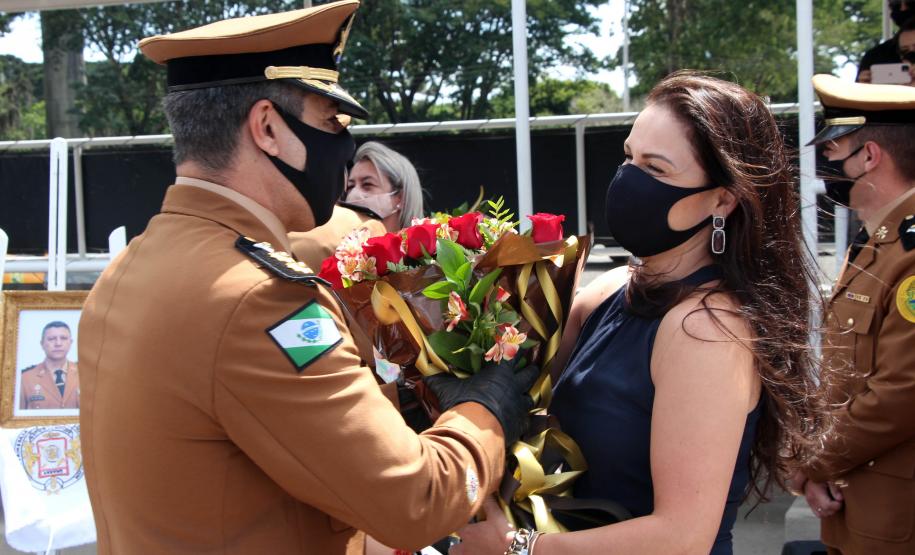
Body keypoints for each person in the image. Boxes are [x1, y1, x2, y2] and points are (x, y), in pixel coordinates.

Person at [77, 3, 537, 554]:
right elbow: (417, 500)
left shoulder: (133, 266)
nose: (343, 150)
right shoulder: (260, 300)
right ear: (268, 128)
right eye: (330, 124)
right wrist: (486, 407)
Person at [451, 72, 825, 555]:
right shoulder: (609, 291)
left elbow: (682, 537)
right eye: (629, 157)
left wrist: (516, 547)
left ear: (722, 198)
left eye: (657, 168)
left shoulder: (708, 329)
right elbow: (514, 394)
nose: (628, 178)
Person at [792, 75, 915, 555]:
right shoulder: (875, 242)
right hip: (856, 502)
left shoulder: (907, 253)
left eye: (834, 148)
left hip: (895, 516)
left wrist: (811, 461)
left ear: (870, 156)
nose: (826, 162)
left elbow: (900, 394)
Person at [343, 141, 424, 232]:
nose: (354, 194)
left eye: (367, 184)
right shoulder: (336, 245)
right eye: (350, 186)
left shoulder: (425, 246)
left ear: (401, 198)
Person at [19, 321, 79, 410]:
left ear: (71, 342)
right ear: (42, 344)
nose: (58, 343)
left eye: (63, 338)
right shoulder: (25, 379)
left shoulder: (86, 374)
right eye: (51, 339)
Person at [857, 1, 913, 83]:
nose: (902, 9)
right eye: (896, 4)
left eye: (911, 3)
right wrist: (864, 90)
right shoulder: (876, 56)